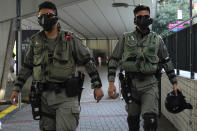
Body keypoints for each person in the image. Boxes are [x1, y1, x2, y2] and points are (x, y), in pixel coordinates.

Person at [10, 1, 104, 131]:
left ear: (56, 17)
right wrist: (16, 89)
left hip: (66, 97)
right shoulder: (35, 40)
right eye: (41, 15)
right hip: (43, 98)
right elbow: (27, 66)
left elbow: (88, 61)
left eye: (48, 15)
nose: (44, 18)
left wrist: (97, 85)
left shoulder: (69, 39)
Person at [107, 5, 179, 131]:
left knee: (150, 121)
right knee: (133, 122)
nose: (143, 19)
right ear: (135, 19)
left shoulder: (157, 39)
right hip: (131, 85)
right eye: (139, 17)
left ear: (150, 18)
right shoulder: (125, 37)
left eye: (146, 17)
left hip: (150, 84)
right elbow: (114, 59)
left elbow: (166, 60)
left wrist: (174, 82)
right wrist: (111, 83)